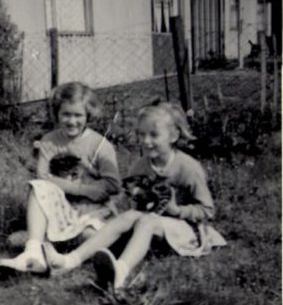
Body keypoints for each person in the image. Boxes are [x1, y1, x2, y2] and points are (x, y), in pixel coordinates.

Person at [43, 101, 226, 289]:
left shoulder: (187, 167)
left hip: (187, 231)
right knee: (130, 217)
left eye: (154, 135)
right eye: (141, 134)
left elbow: (207, 211)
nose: (146, 141)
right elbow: (131, 204)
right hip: (151, 230)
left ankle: (120, 271)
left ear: (174, 136)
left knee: (148, 220)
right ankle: (68, 262)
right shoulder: (140, 166)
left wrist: (177, 210)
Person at [0, 82, 121, 275]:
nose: (72, 121)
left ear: (88, 115)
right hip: (64, 208)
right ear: (57, 114)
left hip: (93, 211)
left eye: (78, 115)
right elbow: (42, 178)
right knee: (36, 187)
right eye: (66, 114)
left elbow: (113, 185)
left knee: (91, 235)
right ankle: (34, 252)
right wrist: (76, 188)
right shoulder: (49, 140)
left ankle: (41, 239)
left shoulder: (99, 144)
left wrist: (79, 188)